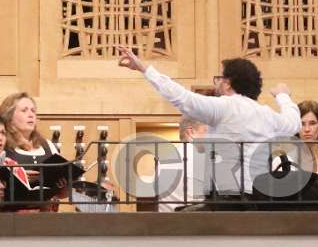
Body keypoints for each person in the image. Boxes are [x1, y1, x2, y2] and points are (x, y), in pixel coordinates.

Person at [117, 46, 299, 208]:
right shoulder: (267, 114)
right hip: (259, 198)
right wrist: (283, 95)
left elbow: (182, 98)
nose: (217, 83)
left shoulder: (224, 106)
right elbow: (293, 123)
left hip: (225, 197)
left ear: (228, 83)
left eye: (219, 78)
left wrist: (143, 68)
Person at [158, 116, 210, 211]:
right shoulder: (202, 156)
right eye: (207, 131)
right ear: (191, 132)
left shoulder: (164, 159)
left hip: (166, 221)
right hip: (198, 221)